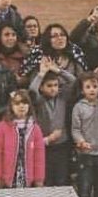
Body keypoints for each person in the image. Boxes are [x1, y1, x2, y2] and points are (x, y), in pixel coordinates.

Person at [29, 57, 77, 187]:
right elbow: (32, 91)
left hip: (62, 145)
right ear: (42, 87)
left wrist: (58, 71)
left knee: (61, 180)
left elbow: (74, 82)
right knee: (46, 180)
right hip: (44, 145)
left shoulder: (62, 97)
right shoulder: (39, 101)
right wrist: (41, 74)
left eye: (55, 85)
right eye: (49, 86)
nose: (53, 89)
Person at [0, 89, 45, 189]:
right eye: (17, 103)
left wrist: (39, 179)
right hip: (7, 180)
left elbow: (39, 156)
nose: (21, 106)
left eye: (24, 103)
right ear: (11, 106)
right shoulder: (3, 127)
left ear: (29, 106)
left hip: (27, 179)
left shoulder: (35, 128)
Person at [21, 24, 88, 84]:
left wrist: (59, 71)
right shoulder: (39, 57)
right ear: (47, 40)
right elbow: (33, 88)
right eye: (54, 36)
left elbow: (80, 84)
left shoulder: (74, 54)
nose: (60, 38)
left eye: (62, 35)